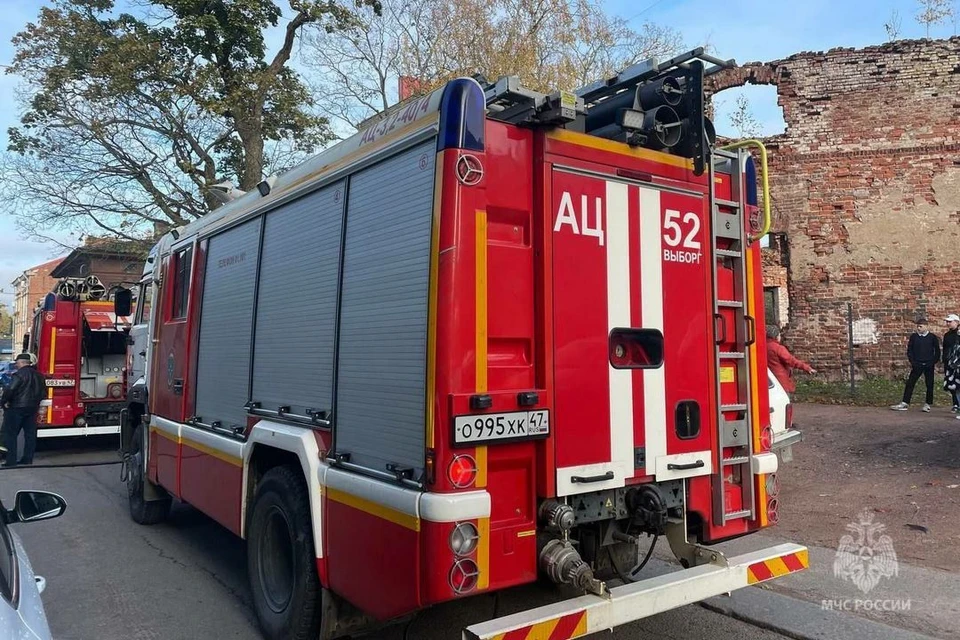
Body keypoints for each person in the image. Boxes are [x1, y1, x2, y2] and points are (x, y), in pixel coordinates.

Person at [1, 353, 46, 467]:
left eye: (17, 363)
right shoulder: (39, 375)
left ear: (21, 362)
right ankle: (27, 459)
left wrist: (3, 402)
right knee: (30, 435)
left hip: (16, 407)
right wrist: (35, 402)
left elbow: (10, 389)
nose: (16, 365)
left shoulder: (19, 375)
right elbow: (43, 392)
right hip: (32, 408)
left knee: (11, 434)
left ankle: (11, 461)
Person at [891, 317, 941, 412]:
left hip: (928, 364)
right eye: (918, 327)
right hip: (917, 364)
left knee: (929, 384)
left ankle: (928, 404)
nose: (919, 328)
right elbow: (910, 350)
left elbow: (937, 351)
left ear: (926, 326)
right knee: (910, 383)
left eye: (921, 326)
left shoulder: (932, 337)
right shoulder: (914, 337)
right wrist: (913, 362)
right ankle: (905, 402)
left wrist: (932, 362)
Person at [766, 325, 816, 394]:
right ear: (776, 336)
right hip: (781, 381)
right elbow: (791, 361)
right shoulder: (778, 348)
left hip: (768, 382)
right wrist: (807, 368)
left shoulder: (761, 347)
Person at [943, 314, 960, 412]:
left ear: (957, 322)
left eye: (950, 321)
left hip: (957, 363)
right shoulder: (947, 335)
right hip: (949, 363)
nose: (948, 323)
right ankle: (955, 404)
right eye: (947, 322)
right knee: (952, 384)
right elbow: (945, 349)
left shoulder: (958, 334)